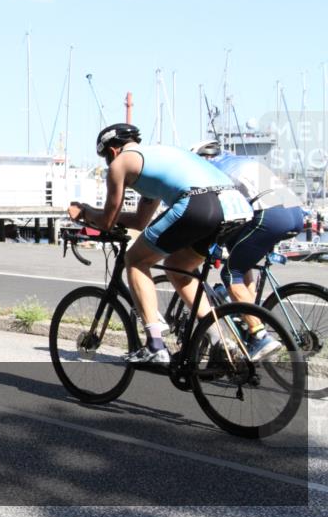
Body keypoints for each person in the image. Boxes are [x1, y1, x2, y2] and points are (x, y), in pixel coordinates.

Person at [68, 123, 253, 365]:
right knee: (179, 267)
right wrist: (102, 217)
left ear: (111, 151)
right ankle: (219, 341)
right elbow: (140, 221)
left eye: (104, 157)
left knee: (135, 260)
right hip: (235, 206)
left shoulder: (120, 164)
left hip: (199, 204)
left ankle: (155, 345)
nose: (107, 163)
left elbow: (107, 220)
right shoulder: (157, 158)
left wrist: (85, 212)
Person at [190, 139, 306, 359]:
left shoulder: (209, 171)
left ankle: (259, 335)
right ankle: (247, 309)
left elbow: (211, 214)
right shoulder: (237, 160)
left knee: (229, 273)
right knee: (240, 260)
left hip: (270, 213)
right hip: (294, 211)